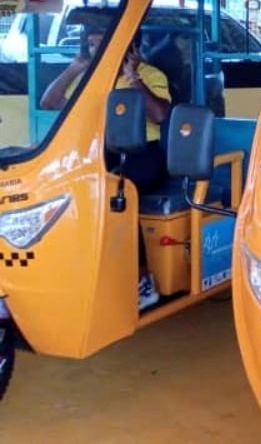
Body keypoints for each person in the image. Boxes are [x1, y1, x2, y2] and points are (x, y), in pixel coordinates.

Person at [41, 17, 172, 310]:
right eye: (91, 43)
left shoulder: (150, 75)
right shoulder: (90, 76)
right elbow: (50, 101)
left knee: (115, 192)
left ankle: (142, 280)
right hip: (99, 152)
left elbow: (160, 115)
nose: (97, 48)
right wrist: (75, 68)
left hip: (142, 153)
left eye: (103, 42)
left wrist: (134, 77)